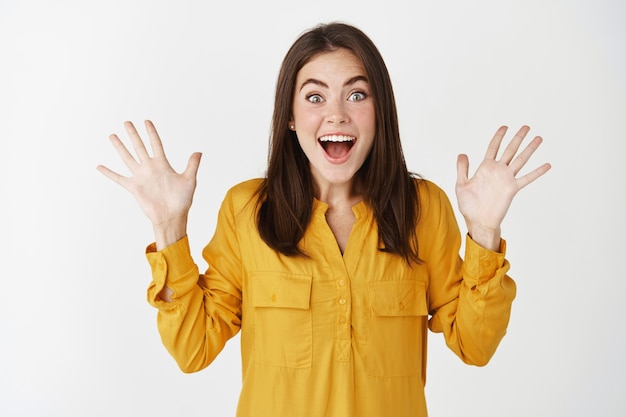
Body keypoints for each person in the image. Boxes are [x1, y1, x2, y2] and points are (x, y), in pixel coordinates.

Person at [97, 22, 551, 417]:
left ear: (380, 113)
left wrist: (485, 233)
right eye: (314, 96)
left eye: (357, 94)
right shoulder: (246, 210)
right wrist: (169, 229)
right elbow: (192, 349)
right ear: (291, 118)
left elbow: (476, 344)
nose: (336, 114)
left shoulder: (423, 208)